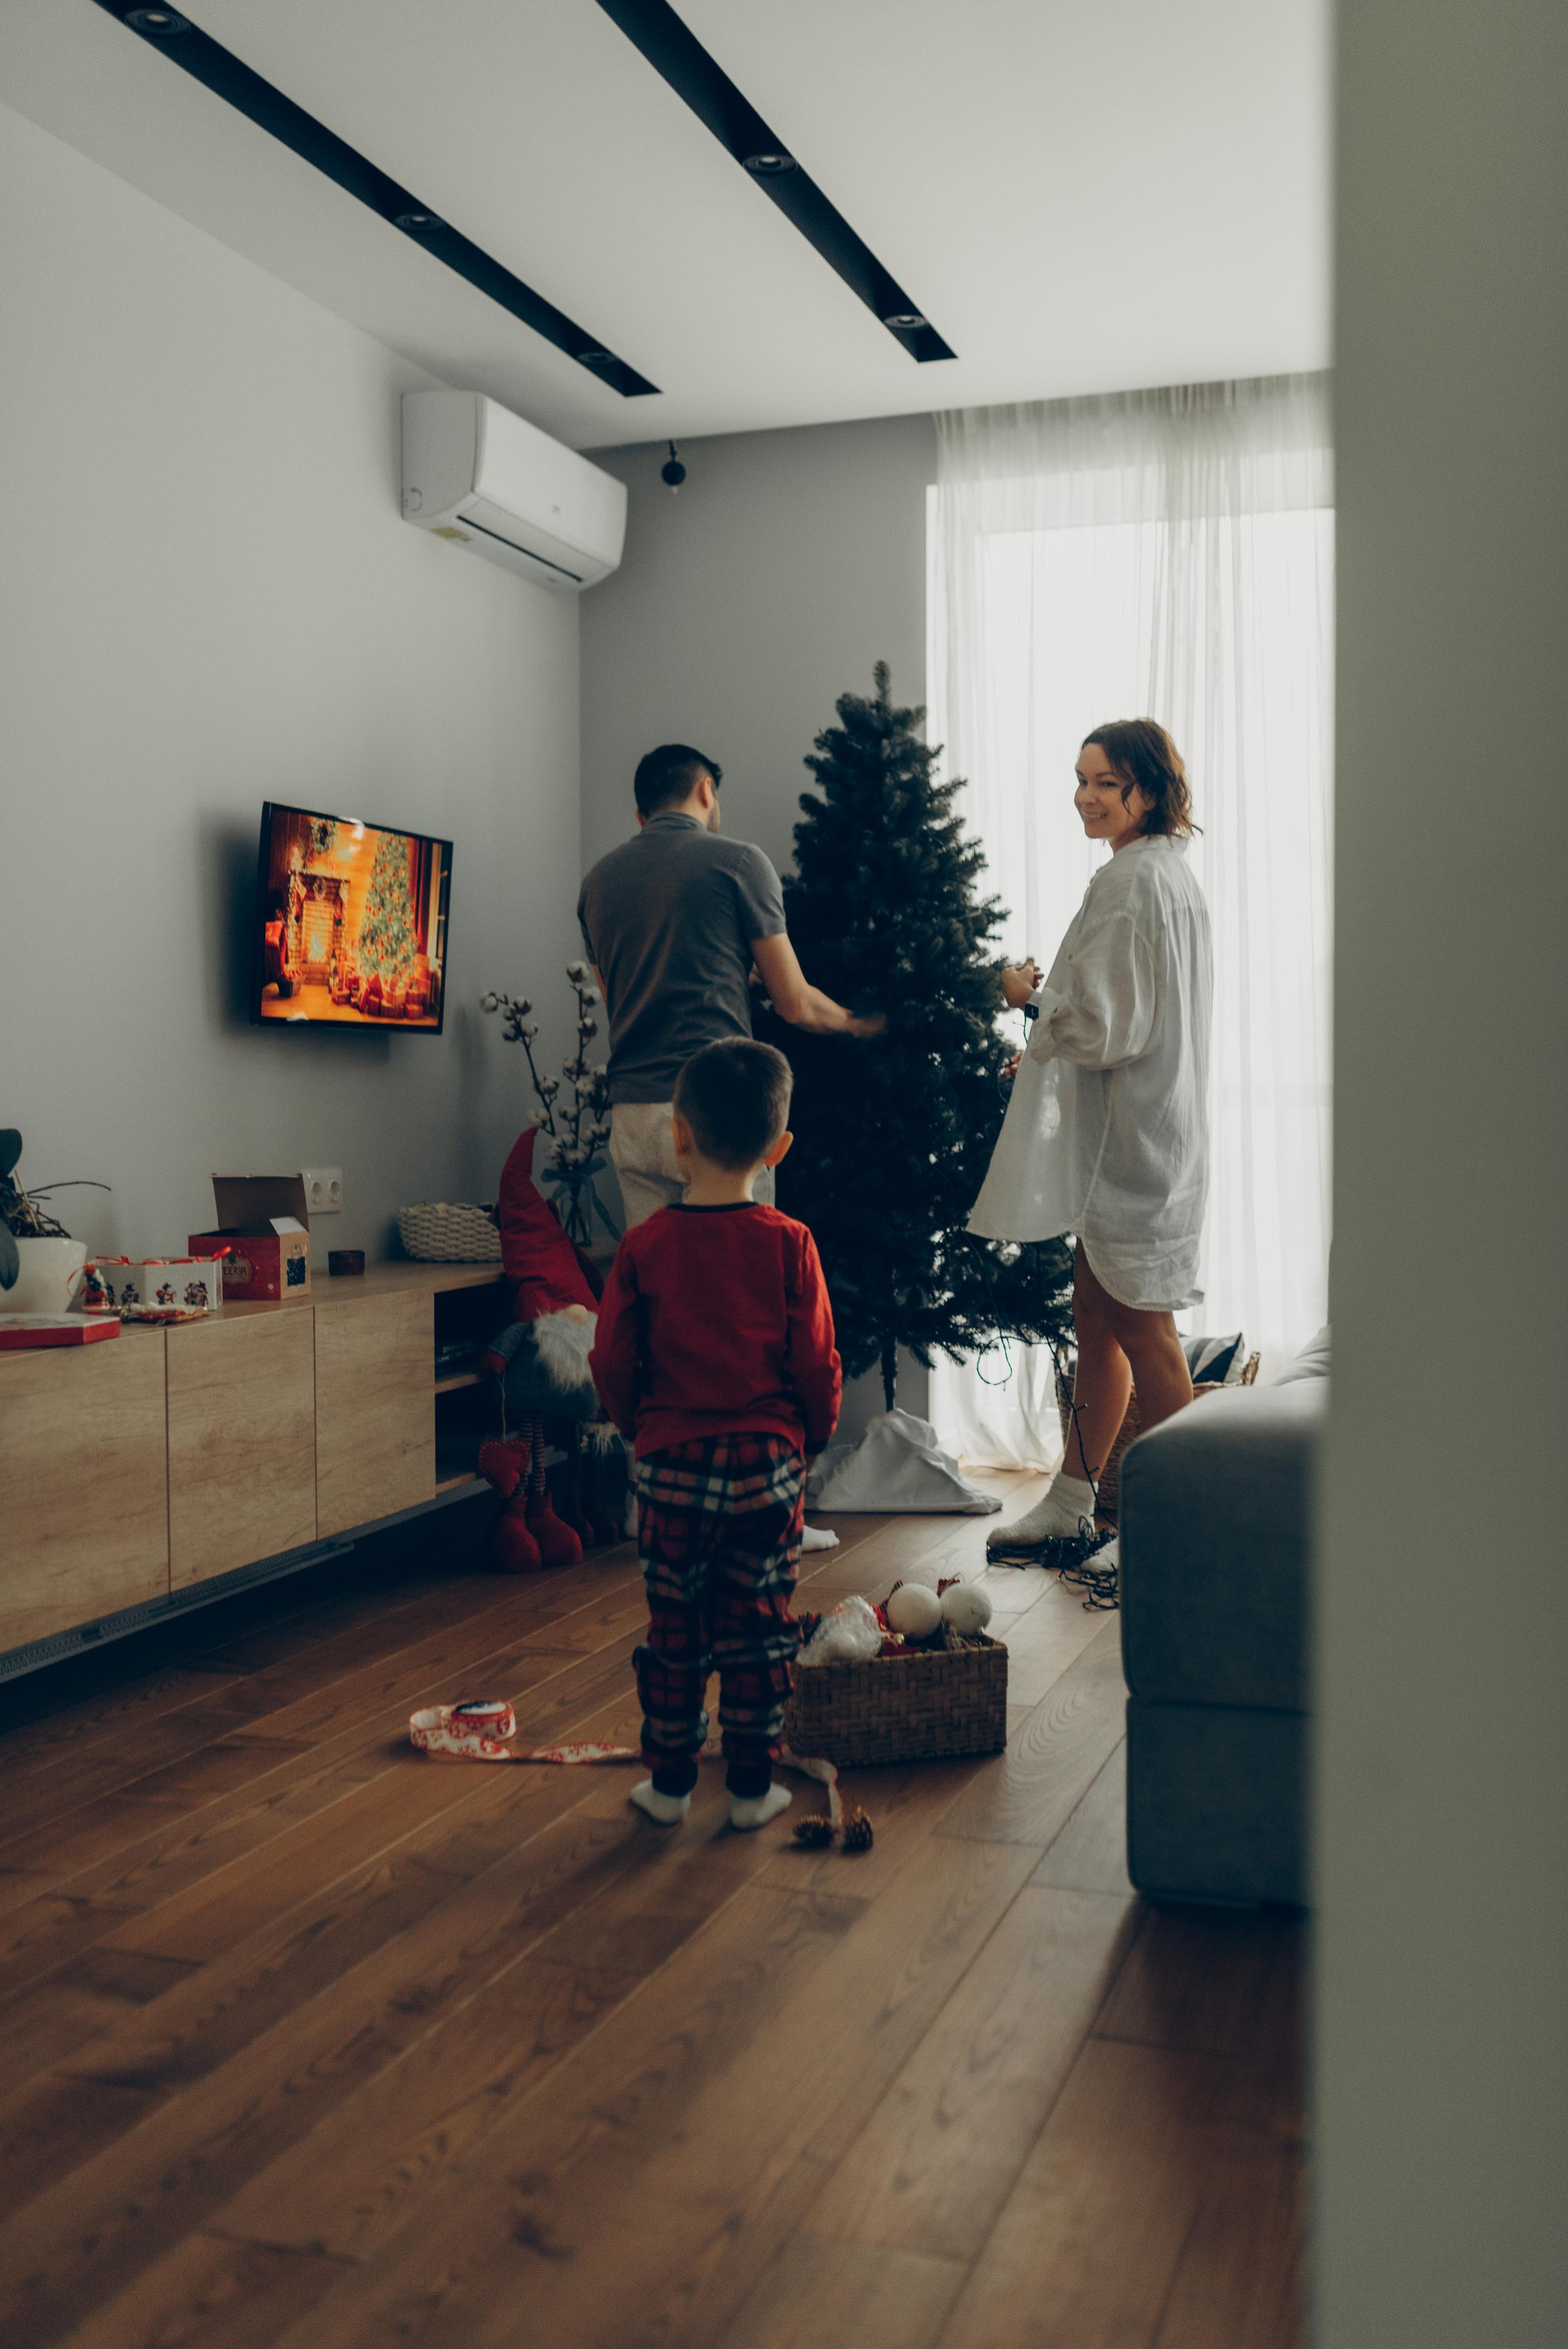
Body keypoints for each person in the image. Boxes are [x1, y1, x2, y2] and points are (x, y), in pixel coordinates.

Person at [969, 719, 1213, 1560]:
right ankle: (1072, 1501)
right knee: (1097, 1320)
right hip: (1146, 1131)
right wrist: (1046, 1048)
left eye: (1107, 781)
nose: (1086, 795)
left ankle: (1176, 1526)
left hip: (1128, 1148)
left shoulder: (1130, 882)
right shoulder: (1167, 875)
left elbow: (1106, 1027)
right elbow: (1131, 1019)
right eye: (1081, 778)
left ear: (1149, 789)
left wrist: (1026, 1001)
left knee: (1145, 1332)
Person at [589, 1038, 842, 1832]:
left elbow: (610, 1357)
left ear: (679, 1135)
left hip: (671, 1463)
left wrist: (640, 1429)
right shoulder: (789, 1241)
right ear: (779, 1149)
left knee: (676, 1626)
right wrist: (811, 1438)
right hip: (767, 1463)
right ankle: (750, 1789)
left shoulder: (645, 1245)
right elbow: (817, 1360)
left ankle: (669, 1787)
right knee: (759, 1625)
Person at [577, 743, 881, 1227]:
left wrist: (732, 971)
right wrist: (857, 1023)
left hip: (633, 1111)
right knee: (741, 1266)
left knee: (655, 1268)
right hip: (718, 1105)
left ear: (641, 816)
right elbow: (795, 1004)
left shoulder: (597, 883)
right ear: (706, 790)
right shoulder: (739, 862)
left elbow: (623, 997)